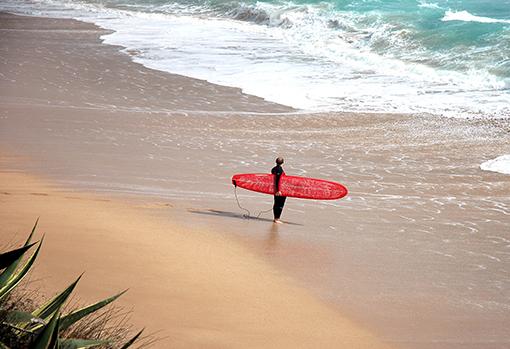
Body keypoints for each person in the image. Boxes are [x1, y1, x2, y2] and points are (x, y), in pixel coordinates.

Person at [271, 157, 286, 223]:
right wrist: (279, 190)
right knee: (279, 204)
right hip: (278, 190)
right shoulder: (279, 169)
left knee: (276, 203)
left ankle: (276, 218)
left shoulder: (273, 169)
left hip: (275, 189)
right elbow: (278, 180)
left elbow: (273, 180)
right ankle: (277, 219)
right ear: (283, 162)